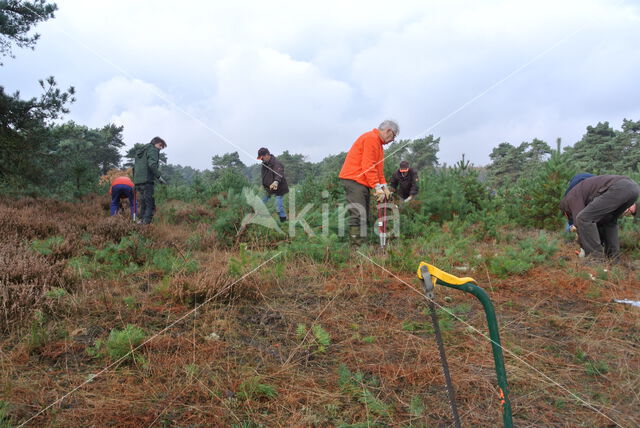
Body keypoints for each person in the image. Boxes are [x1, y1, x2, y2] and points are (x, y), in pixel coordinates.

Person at [339, 120, 398, 244]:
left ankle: (362, 245)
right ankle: (356, 248)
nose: (393, 140)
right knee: (358, 214)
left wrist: (384, 187)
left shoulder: (379, 145)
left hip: (361, 181)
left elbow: (378, 170)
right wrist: (376, 187)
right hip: (354, 179)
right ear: (388, 131)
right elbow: (368, 166)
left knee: (363, 215)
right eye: (393, 136)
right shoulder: (371, 139)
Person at [559, 174, 639, 262]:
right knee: (609, 221)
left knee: (583, 218)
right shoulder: (580, 192)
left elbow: (581, 221)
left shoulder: (571, 198)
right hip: (633, 188)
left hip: (619, 187)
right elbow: (597, 223)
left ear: (566, 213)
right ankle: (613, 259)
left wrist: (584, 248)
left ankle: (595, 259)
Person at [133, 137, 167, 224]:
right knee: (150, 205)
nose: (160, 148)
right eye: (160, 145)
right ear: (155, 143)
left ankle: (140, 223)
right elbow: (152, 165)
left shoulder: (141, 151)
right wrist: (159, 177)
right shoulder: (152, 149)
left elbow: (134, 168)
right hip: (147, 181)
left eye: (162, 147)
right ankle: (146, 226)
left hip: (138, 182)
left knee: (144, 203)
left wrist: (135, 181)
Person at [257, 147, 289, 222]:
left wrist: (276, 182)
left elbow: (279, 173)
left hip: (279, 188)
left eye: (262, 158)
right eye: (260, 158)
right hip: (269, 188)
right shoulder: (264, 164)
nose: (261, 160)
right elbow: (264, 176)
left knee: (278, 205)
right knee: (262, 202)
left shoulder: (276, 163)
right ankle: (260, 218)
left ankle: (283, 221)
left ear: (267, 155)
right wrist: (263, 185)